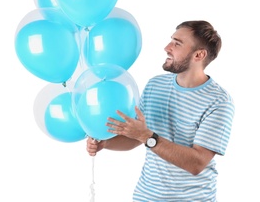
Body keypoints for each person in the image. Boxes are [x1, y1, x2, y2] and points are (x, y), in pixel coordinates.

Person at [86, 20, 235, 201]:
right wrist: (106, 144)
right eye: (171, 40)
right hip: (146, 197)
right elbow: (136, 138)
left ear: (199, 55)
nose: (167, 47)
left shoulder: (219, 101)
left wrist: (146, 136)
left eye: (177, 44)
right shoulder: (155, 85)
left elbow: (197, 163)